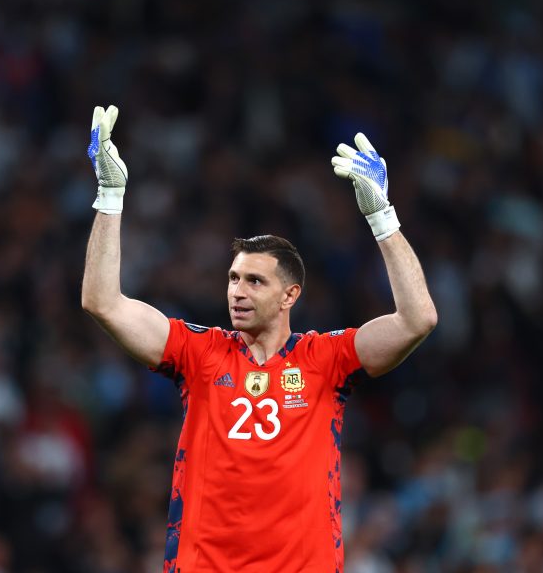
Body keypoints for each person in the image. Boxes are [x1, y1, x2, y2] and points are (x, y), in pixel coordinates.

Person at [82, 105, 437, 573]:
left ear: (290, 295)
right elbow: (102, 302)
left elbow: (417, 319)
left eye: (254, 281)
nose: (237, 291)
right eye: (233, 278)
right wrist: (110, 195)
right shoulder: (199, 352)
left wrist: (383, 219)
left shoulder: (326, 358)